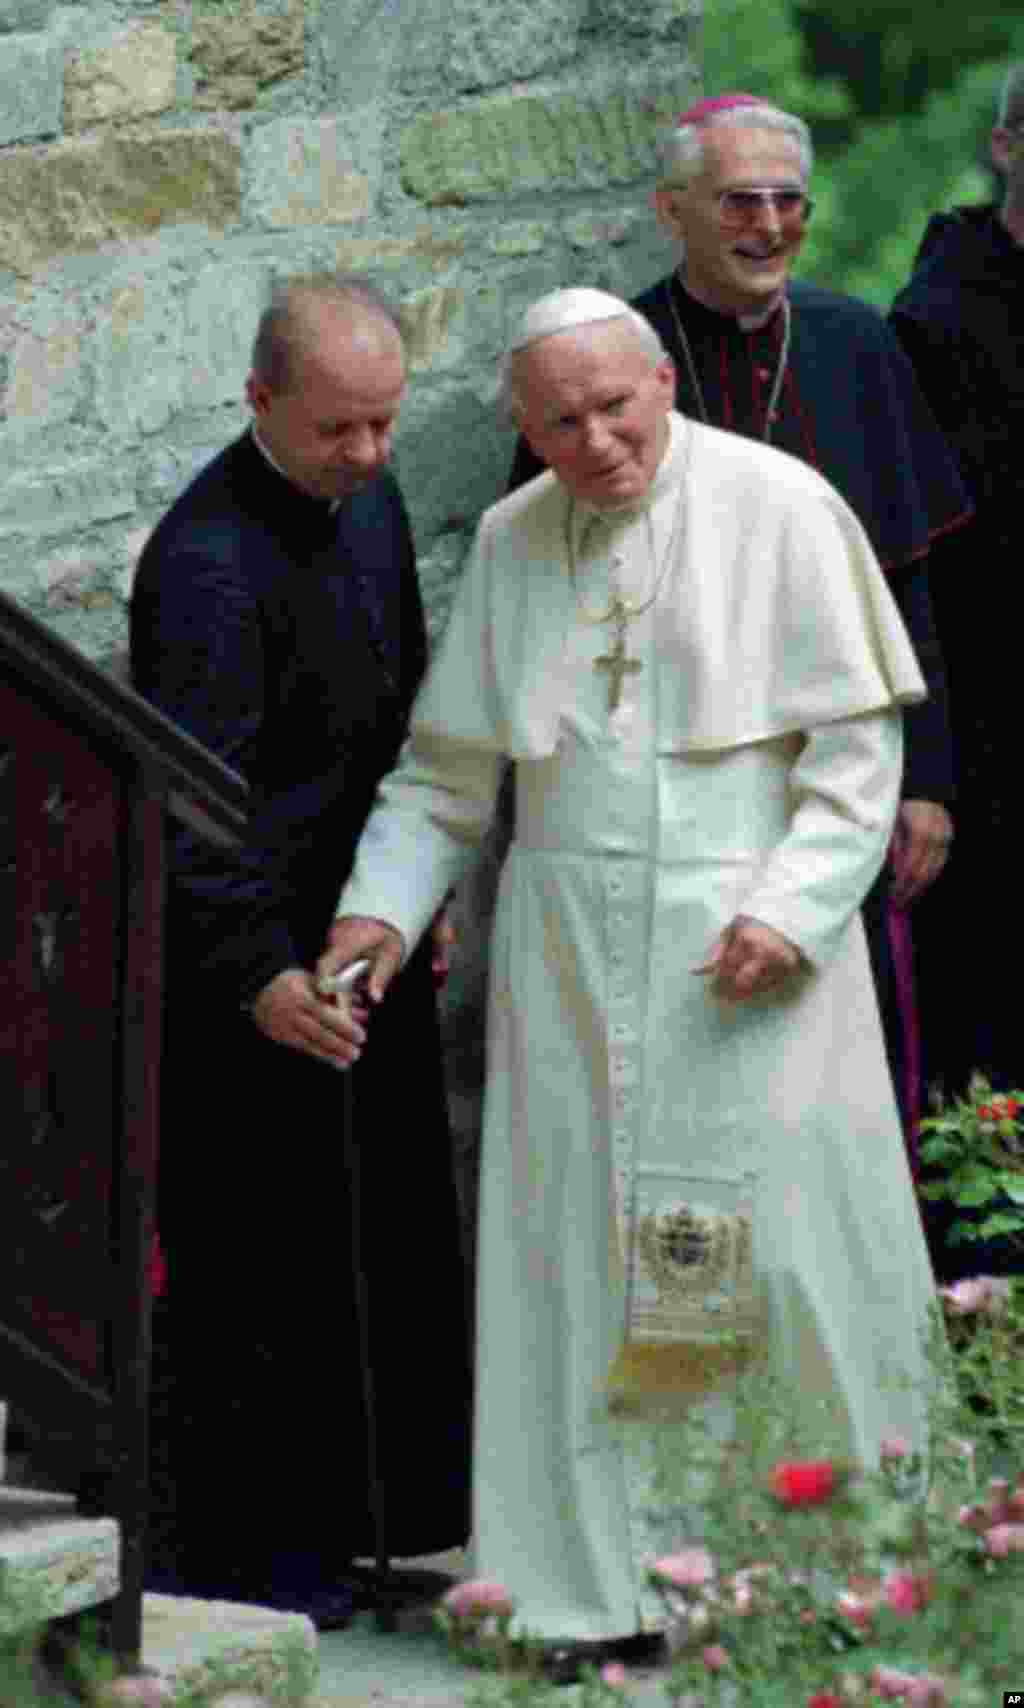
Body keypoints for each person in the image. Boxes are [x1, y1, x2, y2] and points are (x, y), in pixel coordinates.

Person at [318, 289, 938, 1676]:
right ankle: (590, 1586)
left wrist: (792, 908)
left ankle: (824, 1573)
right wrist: (379, 912)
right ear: (524, 432)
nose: (598, 442)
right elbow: (448, 774)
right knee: (581, 1275)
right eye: (562, 423)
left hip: (747, 958)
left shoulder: (782, 506)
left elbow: (852, 761)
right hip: (572, 965)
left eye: (619, 407)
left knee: (778, 1263)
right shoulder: (511, 541)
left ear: (664, 381)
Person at [509, 94, 970, 1135]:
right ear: (672, 211)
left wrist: (927, 776)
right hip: (671, 779)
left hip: (834, 770)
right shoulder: (604, 368)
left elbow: (906, 579)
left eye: (787, 202)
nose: (767, 227)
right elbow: (551, 593)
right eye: (737, 202)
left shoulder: (855, 344)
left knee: (839, 1066)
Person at [130, 275, 472, 1625]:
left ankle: (377, 1526)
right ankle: (259, 1561)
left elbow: (407, 718)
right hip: (254, 977)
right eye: (342, 429)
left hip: (362, 937)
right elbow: (193, 795)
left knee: (379, 1252)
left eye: (386, 424)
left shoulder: (368, 500)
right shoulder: (205, 561)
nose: (372, 457)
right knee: (263, 1273)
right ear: (261, 399)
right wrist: (258, 973)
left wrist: (416, 893)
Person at [889, 65, 1024, 1103]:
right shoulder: (936, 319)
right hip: (991, 733)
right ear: (1003, 147)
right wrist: (926, 769)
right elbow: (923, 554)